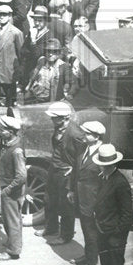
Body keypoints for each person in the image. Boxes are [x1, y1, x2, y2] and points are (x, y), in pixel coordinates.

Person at [90, 144, 133, 265]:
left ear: (112, 164)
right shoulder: (104, 178)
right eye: (103, 164)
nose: (104, 166)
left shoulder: (120, 182)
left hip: (114, 235)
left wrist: (117, 235)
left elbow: (127, 214)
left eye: (106, 164)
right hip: (103, 231)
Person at [36, 102, 82, 246]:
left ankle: (65, 235)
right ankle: (51, 227)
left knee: (66, 206)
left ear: (64, 118)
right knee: (49, 199)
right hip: (54, 169)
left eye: (54, 117)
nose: (52, 120)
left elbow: (81, 157)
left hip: (66, 173)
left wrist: (73, 170)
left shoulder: (75, 134)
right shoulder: (58, 127)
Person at [69, 120, 106, 265]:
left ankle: (91, 263)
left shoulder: (103, 154)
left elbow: (105, 182)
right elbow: (76, 171)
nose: (83, 136)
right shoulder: (84, 148)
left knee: (91, 232)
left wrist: (100, 204)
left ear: (96, 136)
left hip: (93, 201)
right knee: (85, 229)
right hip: (80, 197)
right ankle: (87, 255)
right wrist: (71, 190)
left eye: (87, 134)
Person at [0, 114, 27, 260]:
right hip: (7, 187)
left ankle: (13, 251)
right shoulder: (9, 144)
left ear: (11, 131)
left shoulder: (16, 151)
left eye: (2, 130)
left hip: (11, 190)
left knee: (12, 220)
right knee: (10, 219)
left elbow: (21, 176)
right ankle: (13, 243)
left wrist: (8, 189)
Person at [23, 38, 72, 104]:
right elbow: (34, 74)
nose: (50, 54)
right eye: (48, 51)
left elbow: (68, 83)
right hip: (36, 96)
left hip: (52, 100)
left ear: (59, 52)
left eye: (54, 52)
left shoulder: (64, 66)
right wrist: (28, 86)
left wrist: (67, 92)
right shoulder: (42, 60)